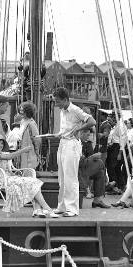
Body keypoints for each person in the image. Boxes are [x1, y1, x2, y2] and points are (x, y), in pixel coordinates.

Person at [52, 87, 110, 216]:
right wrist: (60, 134)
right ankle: (62, 206)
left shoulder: (75, 109)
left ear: (65, 99)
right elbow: (67, 127)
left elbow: (92, 121)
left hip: (72, 144)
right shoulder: (63, 110)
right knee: (62, 177)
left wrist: (79, 129)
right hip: (63, 142)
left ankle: (72, 209)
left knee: (70, 177)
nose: (56, 104)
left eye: (58, 101)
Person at [0, 134, 59, 218]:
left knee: (34, 182)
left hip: (9, 177)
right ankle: (47, 209)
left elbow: (8, 169)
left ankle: (38, 209)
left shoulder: (1, 153)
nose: (0, 145)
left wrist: (14, 175)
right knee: (32, 183)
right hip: (0, 180)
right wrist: (23, 150)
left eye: (1, 143)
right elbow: (9, 157)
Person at [106, 108, 128, 194]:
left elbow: (123, 140)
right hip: (114, 146)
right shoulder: (116, 125)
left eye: (114, 116)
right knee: (116, 168)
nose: (113, 118)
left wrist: (120, 153)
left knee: (113, 167)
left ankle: (115, 186)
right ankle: (120, 186)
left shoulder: (121, 126)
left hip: (118, 148)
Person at [17, 101, 41, 169]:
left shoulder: (31, 124)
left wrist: (37, 152)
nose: (21, 112)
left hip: (29, 153)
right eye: (20, 110)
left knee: (28, 171)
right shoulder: (22, 121)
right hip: (22, 151)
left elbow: (37, 139)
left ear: (28, 111)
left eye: (22, 110)